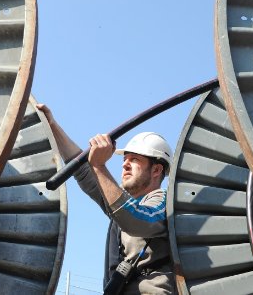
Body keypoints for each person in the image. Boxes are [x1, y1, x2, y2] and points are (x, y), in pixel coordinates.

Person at [37, 104, 176, 294]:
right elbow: (84, 172)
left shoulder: (164, 202)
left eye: (135, 159)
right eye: (124, 159)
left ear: (156, 169)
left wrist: (100, 167)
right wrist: (52, 125)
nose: (125, 164)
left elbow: (138, 220)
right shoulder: (121, 207)